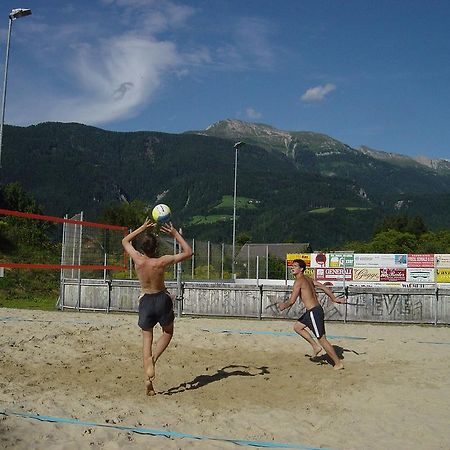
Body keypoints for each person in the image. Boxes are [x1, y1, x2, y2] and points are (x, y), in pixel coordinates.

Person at [122, 218, 193, 395]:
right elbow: (188, 252)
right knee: (168, 332)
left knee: (147, 339)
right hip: (162, 299)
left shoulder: (138, 260)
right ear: (156, 249)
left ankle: (148, 378)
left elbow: (125, 240)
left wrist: (143, 228)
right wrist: (175, 234)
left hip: (145, 300)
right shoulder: (161, 261)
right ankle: (153, 359)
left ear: (142, 248)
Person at [278, 259, 345, 370]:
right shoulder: (309, 280)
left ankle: (338, 363)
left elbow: (291, 301)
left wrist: (283, 306)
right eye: (292, 266)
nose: (292, 268)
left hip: (314, 311)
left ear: (301, 269)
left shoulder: (299, 282)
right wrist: (334, 298)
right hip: (314, 311)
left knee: (322, 338)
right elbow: (324, 287)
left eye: (295, 266)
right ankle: (315, 347)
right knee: (297, 327)